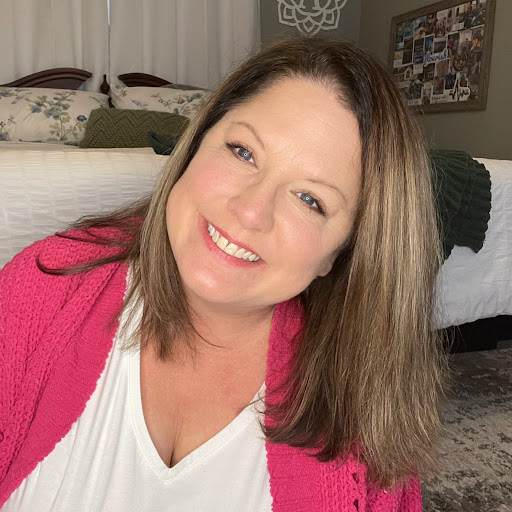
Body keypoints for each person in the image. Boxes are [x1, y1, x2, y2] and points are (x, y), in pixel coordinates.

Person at [0, 36, 448, 510]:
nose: (250, 212)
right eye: (243, 152)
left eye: (310, 200)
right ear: (196, 142)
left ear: (338, 256)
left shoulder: (363, 410)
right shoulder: (43, 285)